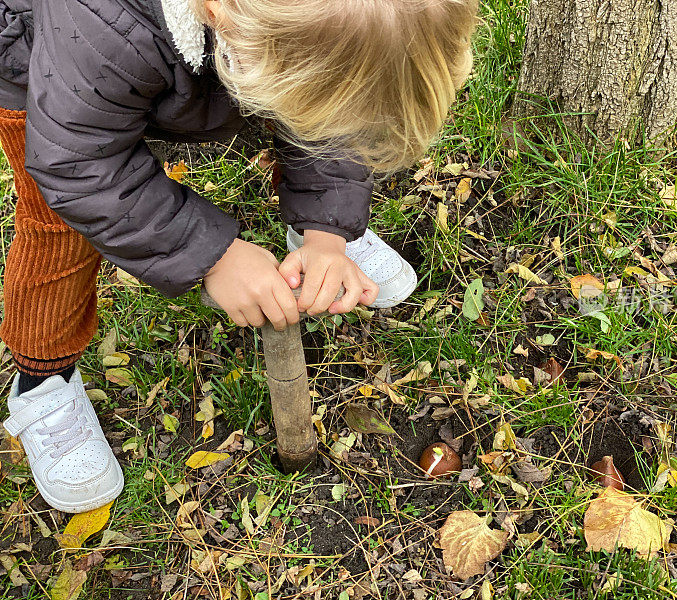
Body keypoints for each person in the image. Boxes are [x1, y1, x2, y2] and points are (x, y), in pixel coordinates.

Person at [0, 0, 477, 512]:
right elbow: (78, 167)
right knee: (60, 223)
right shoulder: (99, 22)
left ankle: (314, 228)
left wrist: (326, 235)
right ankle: (42, 378)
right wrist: (213, 257)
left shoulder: (298, 16)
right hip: (44, 76)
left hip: (201, 46)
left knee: (315, 95)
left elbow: (329, 106)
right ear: (223, 17)